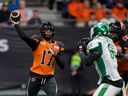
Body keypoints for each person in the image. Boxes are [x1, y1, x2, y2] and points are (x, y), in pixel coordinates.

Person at [10, 12, 65, 96]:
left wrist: (56, 56)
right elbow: (24, 37)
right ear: (42, 31)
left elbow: (62, 66)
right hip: (35, 77)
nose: (48, 32)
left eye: (49, 30)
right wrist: (16, 25)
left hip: (49, 78)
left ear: (53, 31)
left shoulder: (58, 45)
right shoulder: (37, 41)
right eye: (46, 30)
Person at [77, 22, 123, 96]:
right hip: (112, 80)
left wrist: (80, 49)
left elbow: (87, 62)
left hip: (111, 81)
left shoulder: (97, 42)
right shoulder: (110, 42)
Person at [109, 20, 128, 95]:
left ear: (119, 33)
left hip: (126, 72)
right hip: (114, 73)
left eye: (113, 33)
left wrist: (117, 53)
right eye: (110, 32)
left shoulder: (125, 40)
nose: (110, 34)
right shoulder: (106, 39)